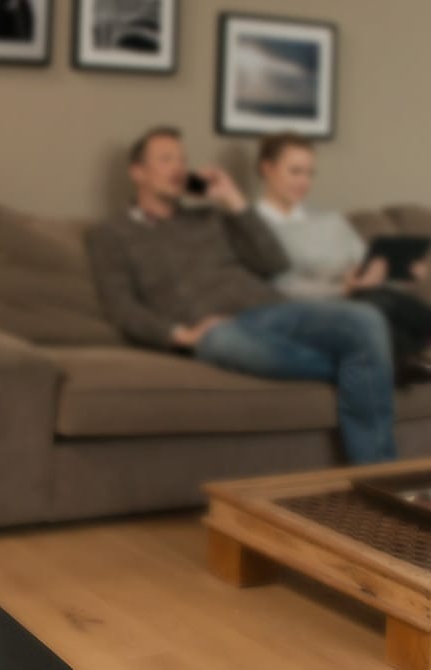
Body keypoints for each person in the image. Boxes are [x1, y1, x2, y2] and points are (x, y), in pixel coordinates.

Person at [84, 125, 399, 464]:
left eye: (182, 159)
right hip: (214, 329)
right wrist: (180, 335)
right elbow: (121, 306)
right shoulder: (110, 233)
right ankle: (372, 369)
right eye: (166, 159)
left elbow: (273, 262)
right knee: (223, 341)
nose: (178, 167)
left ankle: (379, 480)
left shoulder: (209, 217)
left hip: (270, 309)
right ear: (138, 172)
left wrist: (233, 200)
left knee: (366, 318)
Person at [253, 131, 431, 385]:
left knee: (381, 301)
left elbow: (365, 264)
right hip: (313, 308)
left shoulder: (330, 220)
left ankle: (401, 362)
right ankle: (404, 361)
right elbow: (278, 286)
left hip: (363, 296)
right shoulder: (253, 227)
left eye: (310, 173)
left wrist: (399, 273)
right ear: (267, 168)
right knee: (376, 308)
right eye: (295, 171)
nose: (304, 181)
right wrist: (341, 287)